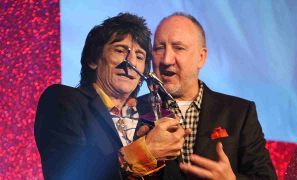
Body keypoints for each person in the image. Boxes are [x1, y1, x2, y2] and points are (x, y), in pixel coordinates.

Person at [34, 13, 189, 179]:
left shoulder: (150, 119)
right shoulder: (63, 100)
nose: (130, 63)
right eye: (120, 50)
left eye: (139, 56)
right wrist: (144, 152)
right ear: (93, 60)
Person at [137, 12, 277, 179]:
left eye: (179, 48)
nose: (166, 59)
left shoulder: (240, 113)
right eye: (159, 48)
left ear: (201, 57)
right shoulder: (133, 111)